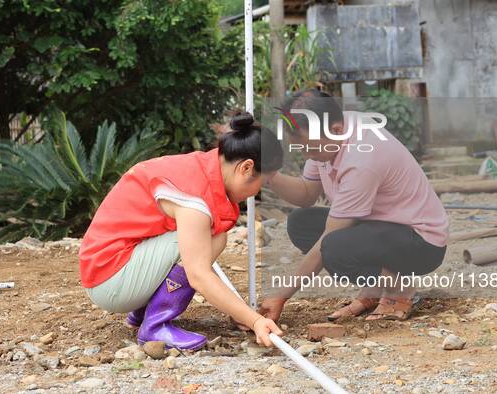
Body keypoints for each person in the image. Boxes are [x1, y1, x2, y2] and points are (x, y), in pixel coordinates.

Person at [79, 112, 284, 350]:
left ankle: (144, 311)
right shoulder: (195, 200)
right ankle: (155, 327)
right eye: (264, 183)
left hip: (108, 267)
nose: (260, 191)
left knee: (210, 236)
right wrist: (255, 320)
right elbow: (199, 275)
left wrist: (239, 310)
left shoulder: (203, 166)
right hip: (110, 281)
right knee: (209, 238)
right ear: (246, 167)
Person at [259, 90, 449, 322]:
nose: (307, 155)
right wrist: (267, 174)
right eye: (302, 149)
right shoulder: (331, 133)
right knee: (301, 223)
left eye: (311, 149)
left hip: (421, 242)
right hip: (381, 227)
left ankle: (399, 290)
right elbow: (307, 194)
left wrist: (281, 296)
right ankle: (375, 288)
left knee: (334, 249)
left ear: (337, 130)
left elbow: (328, 239)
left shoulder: (361, 158)